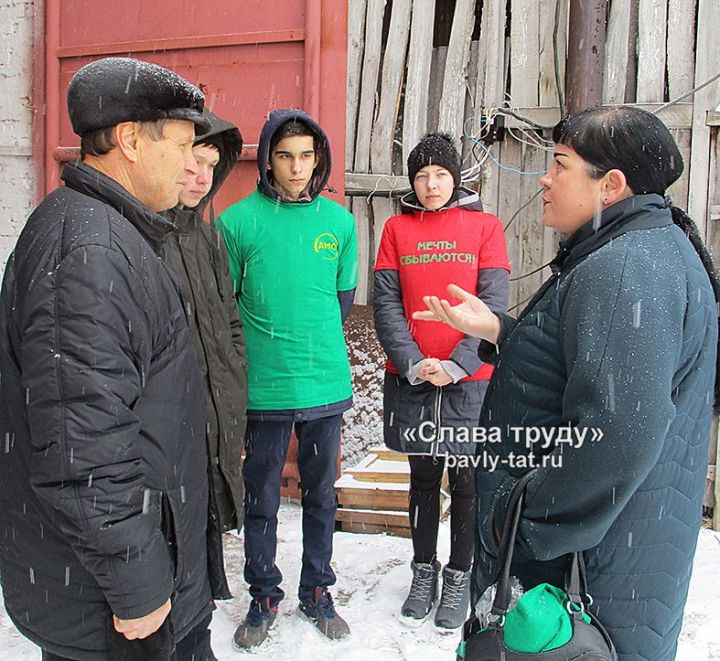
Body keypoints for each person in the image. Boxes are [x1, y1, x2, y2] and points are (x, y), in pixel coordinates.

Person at [414, 106, 719, 660]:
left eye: (559, 164)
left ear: (612, 185)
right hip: (618, 563)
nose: (545, 180)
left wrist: (519, 520)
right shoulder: (644, 249)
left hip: (584, 581)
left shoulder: (625, 269)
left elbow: (616, 436)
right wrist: (503, 332)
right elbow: (594, 371)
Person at [0, 57, 221, 660]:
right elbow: (82, 447)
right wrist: (139, 589)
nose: (189, 162)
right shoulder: (88, 249)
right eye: (179, 143)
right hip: (114, 611)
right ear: (128, 140)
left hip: (128, 584)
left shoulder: (111, 231)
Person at [217, 109, 358, 649]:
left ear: (318, 157)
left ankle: (318, 591)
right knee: (263, 499)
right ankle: (263, 595)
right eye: (285, 156)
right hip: (266, 390)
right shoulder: (238, 223)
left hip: (324, 386)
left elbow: (341, 303)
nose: (297, 168)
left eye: (306, 155)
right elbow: (226, 310)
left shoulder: (339, 224)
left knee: (322, 496)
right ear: (267, 160)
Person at [373, 133, 510, 629]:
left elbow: (493, 304)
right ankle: (422, 571)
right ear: (411, 180)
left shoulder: (485, 228)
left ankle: (459, 575)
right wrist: (413, 361)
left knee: (468, 482)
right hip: (412, 375)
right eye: (422, 175)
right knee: (423, 478)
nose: (431, 185)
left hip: (470, 378)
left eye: (441, 175)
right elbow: (386, 304)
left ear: (456, 179)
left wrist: (455, 363)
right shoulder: (396, 229)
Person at [162, 109, 248, 563]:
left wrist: (235, 389)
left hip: (220, 418)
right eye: (192, 164)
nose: (201, 179)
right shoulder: (142, 238)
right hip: (174, 431)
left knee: (205, 549)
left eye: (212, 167)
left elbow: (230, 322)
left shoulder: (209, 238)